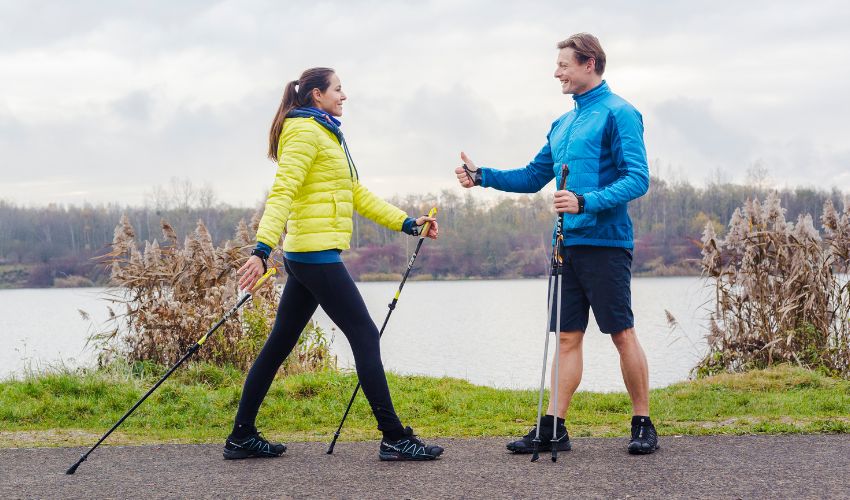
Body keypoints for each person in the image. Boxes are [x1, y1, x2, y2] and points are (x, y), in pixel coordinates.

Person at [225, 67, 443, 462]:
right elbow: (282, 192)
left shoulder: (326, 132)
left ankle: (242, 435)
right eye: (338, 90)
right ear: (315, 95)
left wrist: (407, 223)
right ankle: (393, 436)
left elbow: (354, 193)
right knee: (364, 334)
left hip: (308, 255)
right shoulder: (305, 132)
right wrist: (260, 249)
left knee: (279, 343)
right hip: (315, 255)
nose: (344, 96)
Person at [455, 33, 657, 455]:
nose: (556, 72)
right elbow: (533, 176)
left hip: (605, 243)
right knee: (567, 337)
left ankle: (642, 423)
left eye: (563, 64)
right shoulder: (562, 124)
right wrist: (483, 176)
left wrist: (585, 201)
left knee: (621, 333)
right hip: (566, 246)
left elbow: (638, 178)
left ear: (589, 63)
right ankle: (554, 428)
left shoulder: (620, 113)